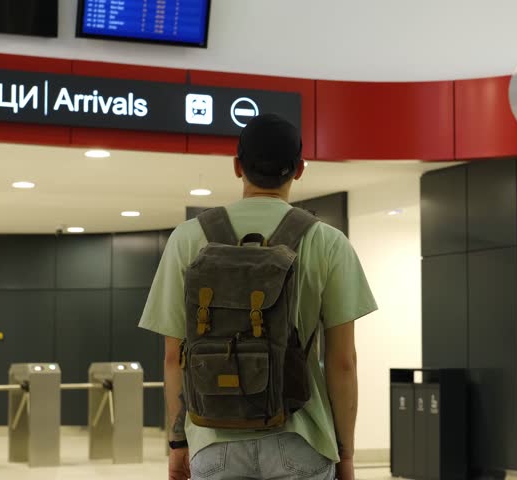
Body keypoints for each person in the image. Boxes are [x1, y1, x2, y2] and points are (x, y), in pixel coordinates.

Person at [138, 113, 377, 480]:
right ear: (299, 169)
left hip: (213, 440)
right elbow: (343, 362)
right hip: (302, 439)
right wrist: (344, 453)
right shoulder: (327, 242)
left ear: (237, 166)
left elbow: (174, 357)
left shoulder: (187, 239)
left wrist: (177, 444)